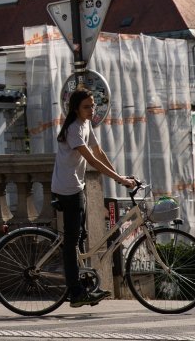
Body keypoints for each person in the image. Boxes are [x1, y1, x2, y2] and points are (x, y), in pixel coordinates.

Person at [52, 88, 136, 308]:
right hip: (67, 189)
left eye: (93, 105)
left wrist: (120, 177)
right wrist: (119, 178)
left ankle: (85, 282)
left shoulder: (86, 124)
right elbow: (92, 161)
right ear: (76, 109)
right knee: (71, 242)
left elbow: (99, 153)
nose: (92, 110)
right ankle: (76, 292)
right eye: (87, 107)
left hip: (76, 186)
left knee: (81, 236)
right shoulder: (73, 129)